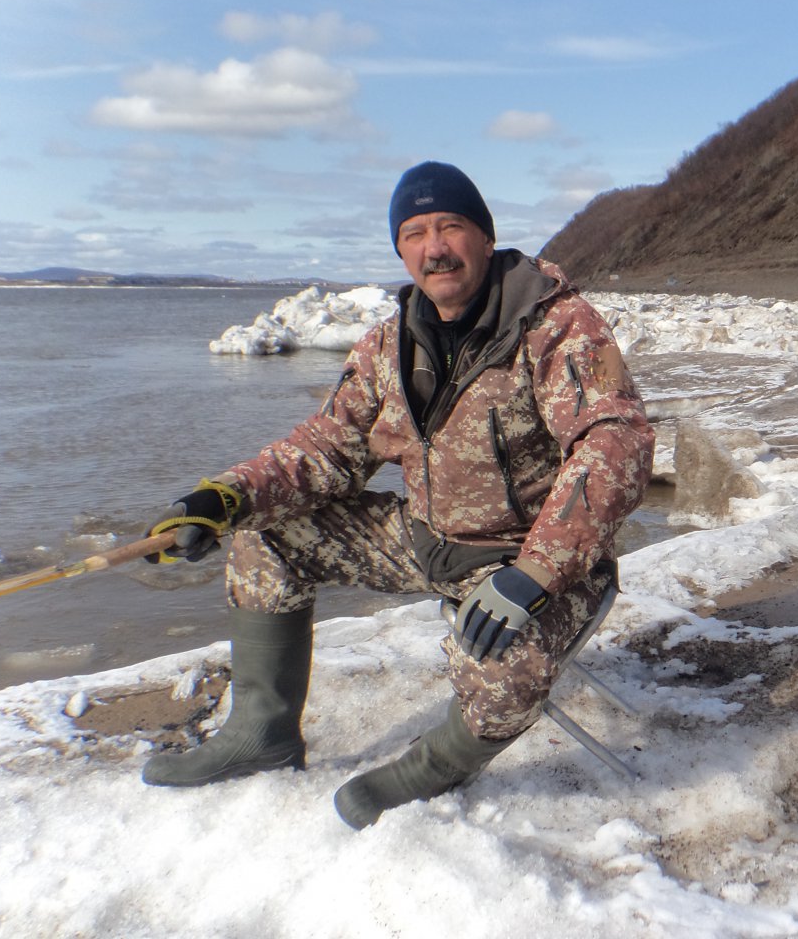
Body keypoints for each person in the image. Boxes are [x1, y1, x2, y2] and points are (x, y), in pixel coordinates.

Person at [140, 160, 654, 829]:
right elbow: (327, 449)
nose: (434, 247)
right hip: (427, 542)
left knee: (506, 666)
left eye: (451, 226)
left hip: (530, 564)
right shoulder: (386, 346)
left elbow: (614, 441)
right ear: (401, 249)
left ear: (485, 237)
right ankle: (261, 734)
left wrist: (537, 570)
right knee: (265, 535)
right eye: (414, 232)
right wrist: (224, 498)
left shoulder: (555, 326)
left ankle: (431, 768)